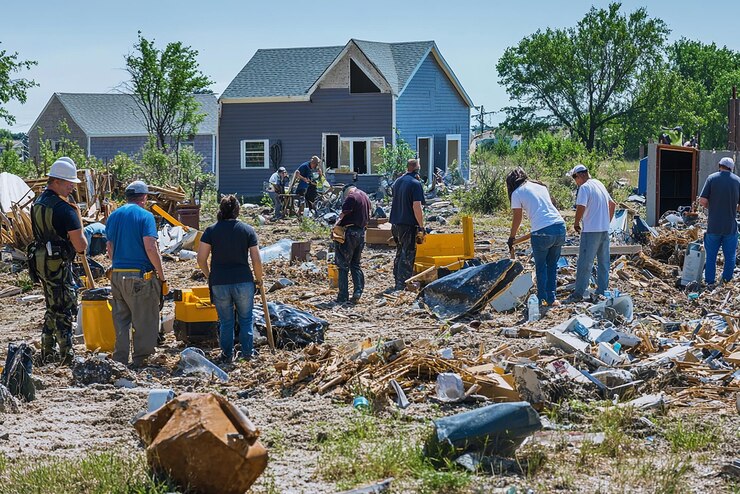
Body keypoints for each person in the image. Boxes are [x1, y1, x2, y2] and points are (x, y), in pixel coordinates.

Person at [28, 157, 88, 364]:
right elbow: (80, 245)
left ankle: (47, 350)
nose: (72, 187)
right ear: (56, 181)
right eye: (69, 183)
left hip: (41, 261)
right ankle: (67, 356)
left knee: (52, 305)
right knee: (64, 307)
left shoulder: (38, 203)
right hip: (58, 263)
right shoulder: (65, 210)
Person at [197, 195, 264, 362]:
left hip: (220, 282)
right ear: (237, 211)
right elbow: (256, 259)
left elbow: (200, 259)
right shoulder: (247, 230)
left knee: (226, 321)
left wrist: (209, 275)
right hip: (243, 280)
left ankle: (227, 354)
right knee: (246, 319)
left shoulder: (211, 231)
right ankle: (247, 353)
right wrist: (259, 278)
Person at [106, 181, 165, 367]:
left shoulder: (113, 216)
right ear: (145, 197)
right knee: (145, 319)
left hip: (117, 275)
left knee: (121, 320)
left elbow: (110, 249)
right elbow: (150, 247)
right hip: (139, 276)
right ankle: (141, 359)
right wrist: (161, 275)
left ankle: (120, 360)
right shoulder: (146, 216)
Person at [506, 167, 566, 307]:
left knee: (540, 266)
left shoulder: (517, 193)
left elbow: (517, 218)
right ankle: (551, 299)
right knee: (552, 265)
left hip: (542, 232)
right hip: (560, 227)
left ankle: (541, 300)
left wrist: (512, 237)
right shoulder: (540, 186)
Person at [566, 164, 616, 303]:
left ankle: (578, 293)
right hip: (604, 230)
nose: (575, 181)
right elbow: (612, 205)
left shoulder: (585, 187)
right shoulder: (599, 184)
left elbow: (581, 206)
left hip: (591, 231)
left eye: (575, 178)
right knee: (604, 262)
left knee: (585, 263)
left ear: (580, 175)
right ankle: (602, 292)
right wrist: (607, 221)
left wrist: (576, 223)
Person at [698, 157, 740, 286]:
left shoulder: (712, 178)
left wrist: (713, 205)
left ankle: (710, 282)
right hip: (730, 227)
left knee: (711, 257)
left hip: (713, 226)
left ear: (719, 165)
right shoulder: (738, 181)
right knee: (730, 256)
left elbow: (702, 201)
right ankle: (726, 281)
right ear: (731, 168)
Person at [389, 159, 425, 291]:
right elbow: (417, 207)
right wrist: (421, 226)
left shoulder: (398, 181)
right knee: (408, 254)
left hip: (395, 223)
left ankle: (397, 280)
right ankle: (402, 284)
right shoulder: (415, 184)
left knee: (399, 252)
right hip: (408, 224)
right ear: (417, 169)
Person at [333, 185, 371, 304]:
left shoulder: (351, 197)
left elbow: (342, 215)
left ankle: (343, 295)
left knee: (343, 265)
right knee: (355, 263)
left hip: (349, 232)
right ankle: (358, 291)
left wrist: (335, 226)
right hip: (361, 232)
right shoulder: (365, 196)